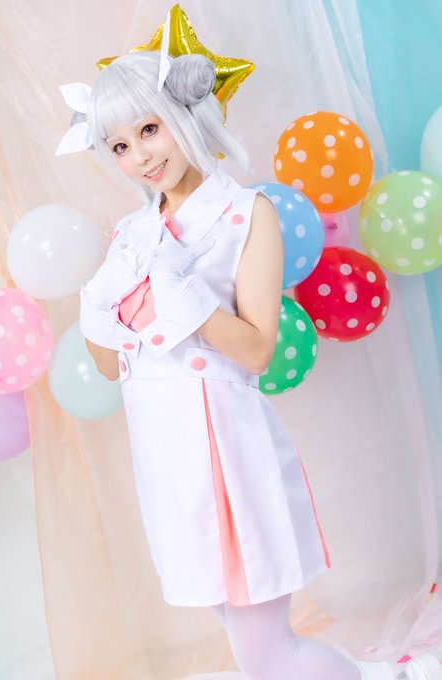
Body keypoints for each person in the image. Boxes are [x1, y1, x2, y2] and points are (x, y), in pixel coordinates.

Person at [58, 48, 441, 680]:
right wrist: (95, 311)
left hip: (224, 446)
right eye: (120, 145)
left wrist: (187, 300)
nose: (142, 156)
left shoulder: (247, 212)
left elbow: (259, 349)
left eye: (149, 128)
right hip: (164, 452)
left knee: (266, 651)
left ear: (184, 115)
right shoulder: (131, 234)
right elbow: (107, 364)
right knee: (239, 629)